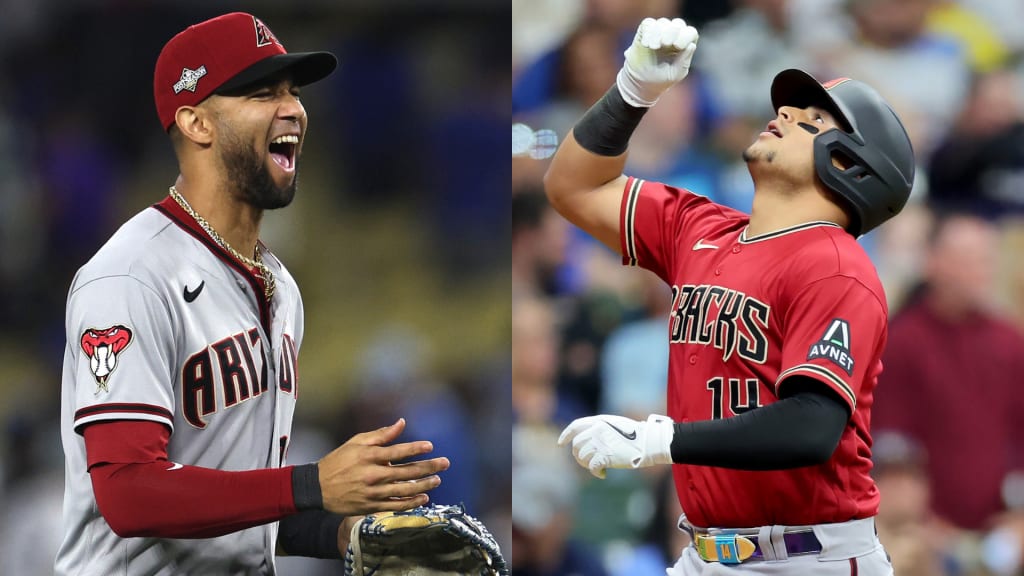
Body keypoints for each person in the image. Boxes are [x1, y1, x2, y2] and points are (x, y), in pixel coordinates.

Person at [55, 13, 449, 575]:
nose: (292, 108)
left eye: (292, 92)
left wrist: (342, 535)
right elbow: (128, 492)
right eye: (262, 93)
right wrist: (314, 484)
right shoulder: (130, 278)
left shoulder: (280, 287)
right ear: (196, 123)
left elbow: (234, 506)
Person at [547, 16, 914, 575]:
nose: (784, 114)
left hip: (808, 557)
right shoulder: (700, 227)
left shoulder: (836, 267)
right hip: (705, 554)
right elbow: (572, 185)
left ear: (848, 165)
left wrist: (660, 439)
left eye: (813, 120)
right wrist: (633, 90)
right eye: (790, 108)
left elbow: (812, 426)